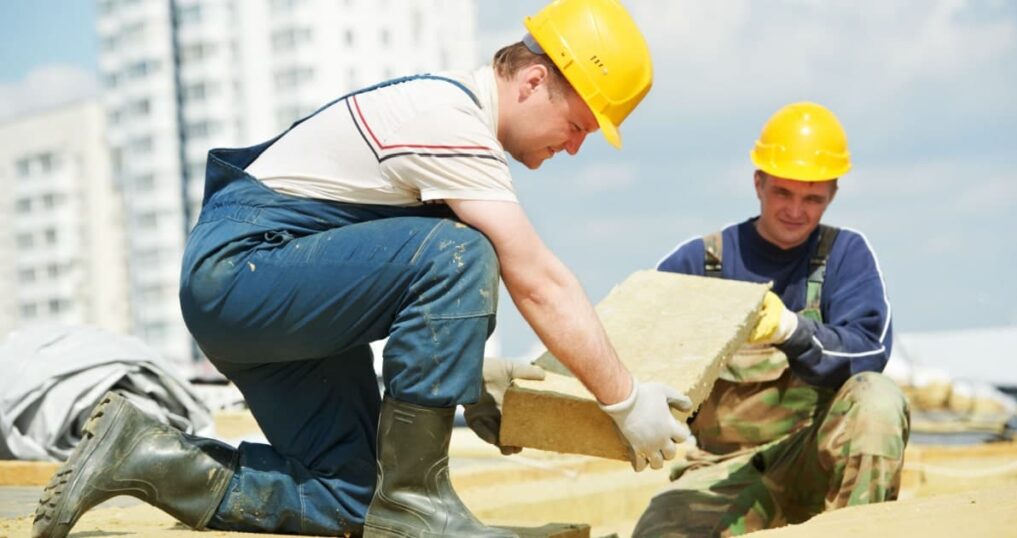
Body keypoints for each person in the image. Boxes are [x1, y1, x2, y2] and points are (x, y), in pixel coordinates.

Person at [32, 1, 692, 537]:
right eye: (577, 125)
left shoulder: (451, 137)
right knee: (463, 251)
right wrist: (626, 401)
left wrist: (471, 380)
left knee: (350, 497)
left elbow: (384, 280)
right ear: (532, 81)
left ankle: (145, 457)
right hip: (246, 269)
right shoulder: (449, 122)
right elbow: (537, 281)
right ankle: (419, 504)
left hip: (268, 295)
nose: (573, 148)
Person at [632, 102, 911, 536]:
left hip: (812, 459)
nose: (795, 211)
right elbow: (633, 342)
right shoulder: (700, 263)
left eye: (812, 198)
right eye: (783, 192)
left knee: (877, 398)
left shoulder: (844, 257)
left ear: (832, 194)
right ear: (758, 182)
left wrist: (792, 331)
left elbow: (869, 351)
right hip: (723, 471)